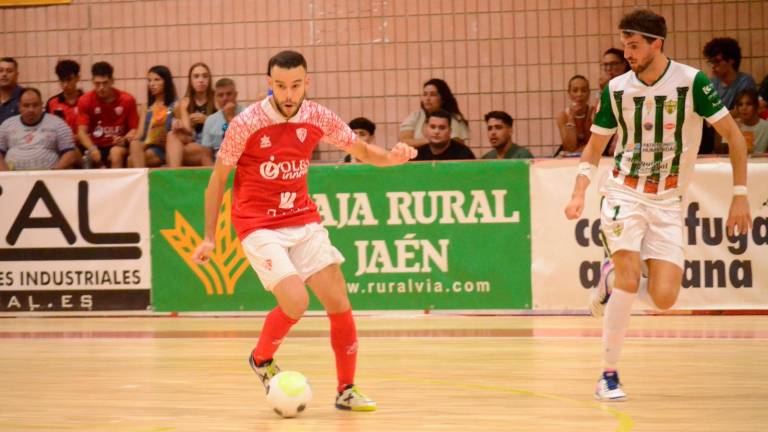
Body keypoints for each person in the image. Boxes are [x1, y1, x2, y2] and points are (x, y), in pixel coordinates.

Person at [190, 50, 416, 411]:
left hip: (302, 218)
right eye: (280, 86)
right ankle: (261, 359)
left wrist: (392, 157)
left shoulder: (317, 115)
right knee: (296, 300)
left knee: (338, 301)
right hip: (257, 223)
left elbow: (359, 148)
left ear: (306, 82)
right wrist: (209, 236)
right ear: (269, 84)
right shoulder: (247, 123)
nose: (289, 94)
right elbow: (218, 180)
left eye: (296, 85)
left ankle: (346, 389)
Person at [564, 9, 751, 402]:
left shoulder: (693, 83)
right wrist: (581, 189)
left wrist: (739, 196)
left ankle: (609, 280)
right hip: (623, 191)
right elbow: (594, 148)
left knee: (666, 298)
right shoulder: (617, 90)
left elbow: (734, 138)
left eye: (634, 46)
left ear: (656, 44)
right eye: (625, 45)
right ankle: (608, 376)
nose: (627, 53)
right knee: (632, 278)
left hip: (667, 200)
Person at [77, 61, 139, 168]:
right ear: (92, 81)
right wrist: (92, 149)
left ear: (112, 81)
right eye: (97, 83)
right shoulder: (85, 100)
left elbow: (134, 129)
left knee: (115, 153)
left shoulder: (127, 99)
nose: (101, 87)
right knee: (84, 155)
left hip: (118, 145)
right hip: (96, 145)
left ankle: (117, 185)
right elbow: (81, 132)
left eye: (105, 83)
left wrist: (124, 139)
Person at [0, 88, 76, 171]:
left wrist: (53, 173)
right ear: (19, 107)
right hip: (12, 179)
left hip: (49, 180)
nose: (31, 110)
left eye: (35, 105)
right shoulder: (7, 125)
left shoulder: (58, 124)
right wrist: (7, 175)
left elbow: (70, 154)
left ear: (41, 105)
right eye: (26, 105)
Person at [166, 62, 214, 167]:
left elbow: (226, 126)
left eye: (205, 76)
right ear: (190, 81)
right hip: (191, 142)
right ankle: (174, 174)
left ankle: (173, 176)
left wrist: (208, 120)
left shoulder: (216, 99)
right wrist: (179, 125)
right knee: (172, 135)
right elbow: (188, 132)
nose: (201, 80)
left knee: (175, 152)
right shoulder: (184, 103)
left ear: (209, 80)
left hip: (210, 145)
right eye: (196, 77)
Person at [129, 65, 177, 168]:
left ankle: (142, 182)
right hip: (146, 145)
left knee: (136, 159)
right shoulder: (145, 107)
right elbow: (140, 134)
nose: (152, 84)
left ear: (166, 82)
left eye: (156, 80)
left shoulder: (174, 105)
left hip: (162, 147)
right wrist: (130, 137)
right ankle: (142, 182)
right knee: (134, 145)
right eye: (149, 80)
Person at [399, 78, 469, 146]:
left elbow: (456, 147)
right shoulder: (415, 116)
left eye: (433, 95)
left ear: (443, 98)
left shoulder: (454, 119)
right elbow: (404, 143)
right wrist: (430, 140)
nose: (427, 98)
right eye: (425, 94)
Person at [201, 77, 243, 161]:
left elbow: (241, 145)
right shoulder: (210, 120)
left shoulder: (248, 114)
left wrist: (229, 117)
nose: (225, 98)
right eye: (220, 95)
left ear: (235, 95)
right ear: (215, 97)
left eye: (229, 94)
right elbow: (205, 156)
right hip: (218, 167)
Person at [555, 75, 595, 157]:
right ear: (569, 93)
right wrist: (571, 118)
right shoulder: (563, 116)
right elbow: (569, 147)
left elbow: (594, 145)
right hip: (571, 157)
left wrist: (573, 153)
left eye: (583, 90)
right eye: (575, 90)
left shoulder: (593, 113)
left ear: (589, 93)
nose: (579, 94)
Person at [46, 59, 83, 140]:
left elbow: (95, 131)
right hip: (60, 148)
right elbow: (47, 130)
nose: (65, 85)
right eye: (62, 80)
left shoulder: (87, 100)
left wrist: (79, 138)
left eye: (69, 80)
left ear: (77, 78)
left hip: (85, 148)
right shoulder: (52, 102)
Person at [725, 88, 768, 154]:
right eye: (740, 105)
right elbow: (721, 151)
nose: (744, 108)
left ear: (756, 106)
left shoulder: (766, 127)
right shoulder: (733, 125)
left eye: (749, 104)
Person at [0, 57, 23, 126]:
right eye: (0, 71)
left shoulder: (24, 96)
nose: (4, 74)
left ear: (16, 75)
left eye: (9, 71)